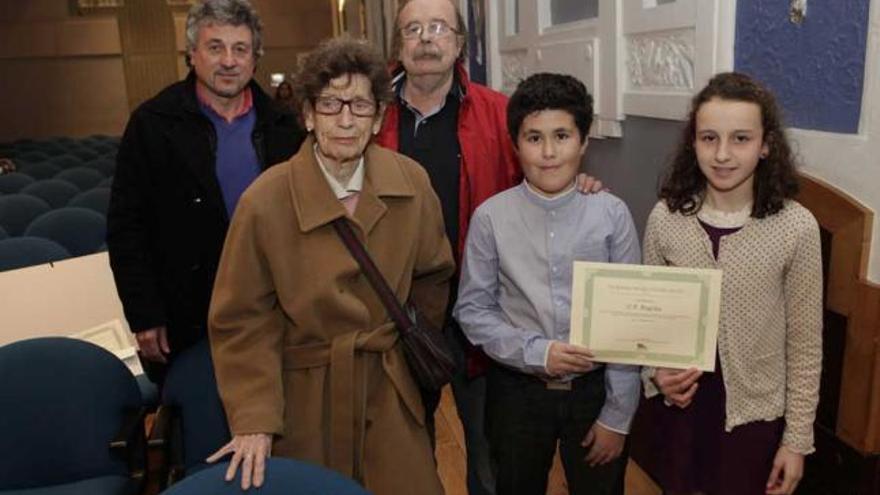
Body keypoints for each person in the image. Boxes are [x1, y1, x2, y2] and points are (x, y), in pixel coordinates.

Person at [206, 37, 454, 495]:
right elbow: (242, 320)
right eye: (330, 104)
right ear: (307, 115)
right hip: (303, 397)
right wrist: (255, 419)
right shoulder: (264, 201)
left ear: (379, 117)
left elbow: (433, 276)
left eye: (360, 106)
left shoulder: (411, 184)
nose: (344, 120)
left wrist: (402, 349)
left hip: (389, 387)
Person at [375, 2, 600, 492]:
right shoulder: (370, 113)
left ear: (459, 43)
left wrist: (574, 183)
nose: (425, 39)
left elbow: (540, 170)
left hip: (484, 314)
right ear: (398, 46)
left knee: (488, 457)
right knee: (402, 453)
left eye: (438, 28)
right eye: (412, 29)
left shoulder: (498, 112)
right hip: (396, 311)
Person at [454, 73, 641, 495]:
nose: (549, 152)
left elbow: (631, 322)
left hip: (596, 391)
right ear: (515, 144)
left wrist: (617, 415)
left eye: (562, 135)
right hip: (518, 392)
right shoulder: (490, 218)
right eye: (534, 138)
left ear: (584, 142)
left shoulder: (611, 215)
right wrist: (538, 353)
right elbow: (473, 310)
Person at [639, 72, 822, 495]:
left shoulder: (796, 227)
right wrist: (655, 374)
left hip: (754, 418)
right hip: (680, 411)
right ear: (693, 142)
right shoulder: (665, 219)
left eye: (740, 138)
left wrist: (796, 440)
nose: (722, 154)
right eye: (708, 138)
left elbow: (806, 343)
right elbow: (646, 326)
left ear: (766, 145)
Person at [107, 0, 305, 374]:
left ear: (255, 58)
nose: (228, 61)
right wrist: (144, 314)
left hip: (276, 311)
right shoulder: (152, 125)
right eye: (215, 47)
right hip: (186, 317)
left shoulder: (286, 127)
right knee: (199, 424)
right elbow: (126, 228)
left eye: (240, 49)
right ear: (192, 54)